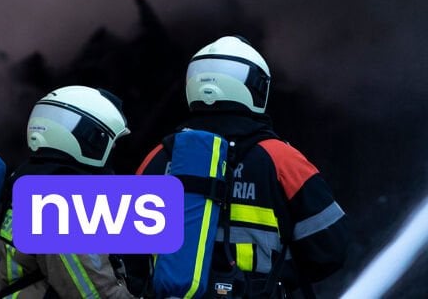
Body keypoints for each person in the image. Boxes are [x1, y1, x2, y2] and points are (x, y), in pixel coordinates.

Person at [135, 36, 349, 298]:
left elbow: (130, 257)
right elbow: (330, 250)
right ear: (255, 87)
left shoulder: (156, 158)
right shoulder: (281, 159)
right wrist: (278, 278)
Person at [0, 85, 136, 299]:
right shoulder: (56, 203)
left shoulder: (26, 180)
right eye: (107, 141)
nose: (113, 150)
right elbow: (96, 293)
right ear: (86, 137)